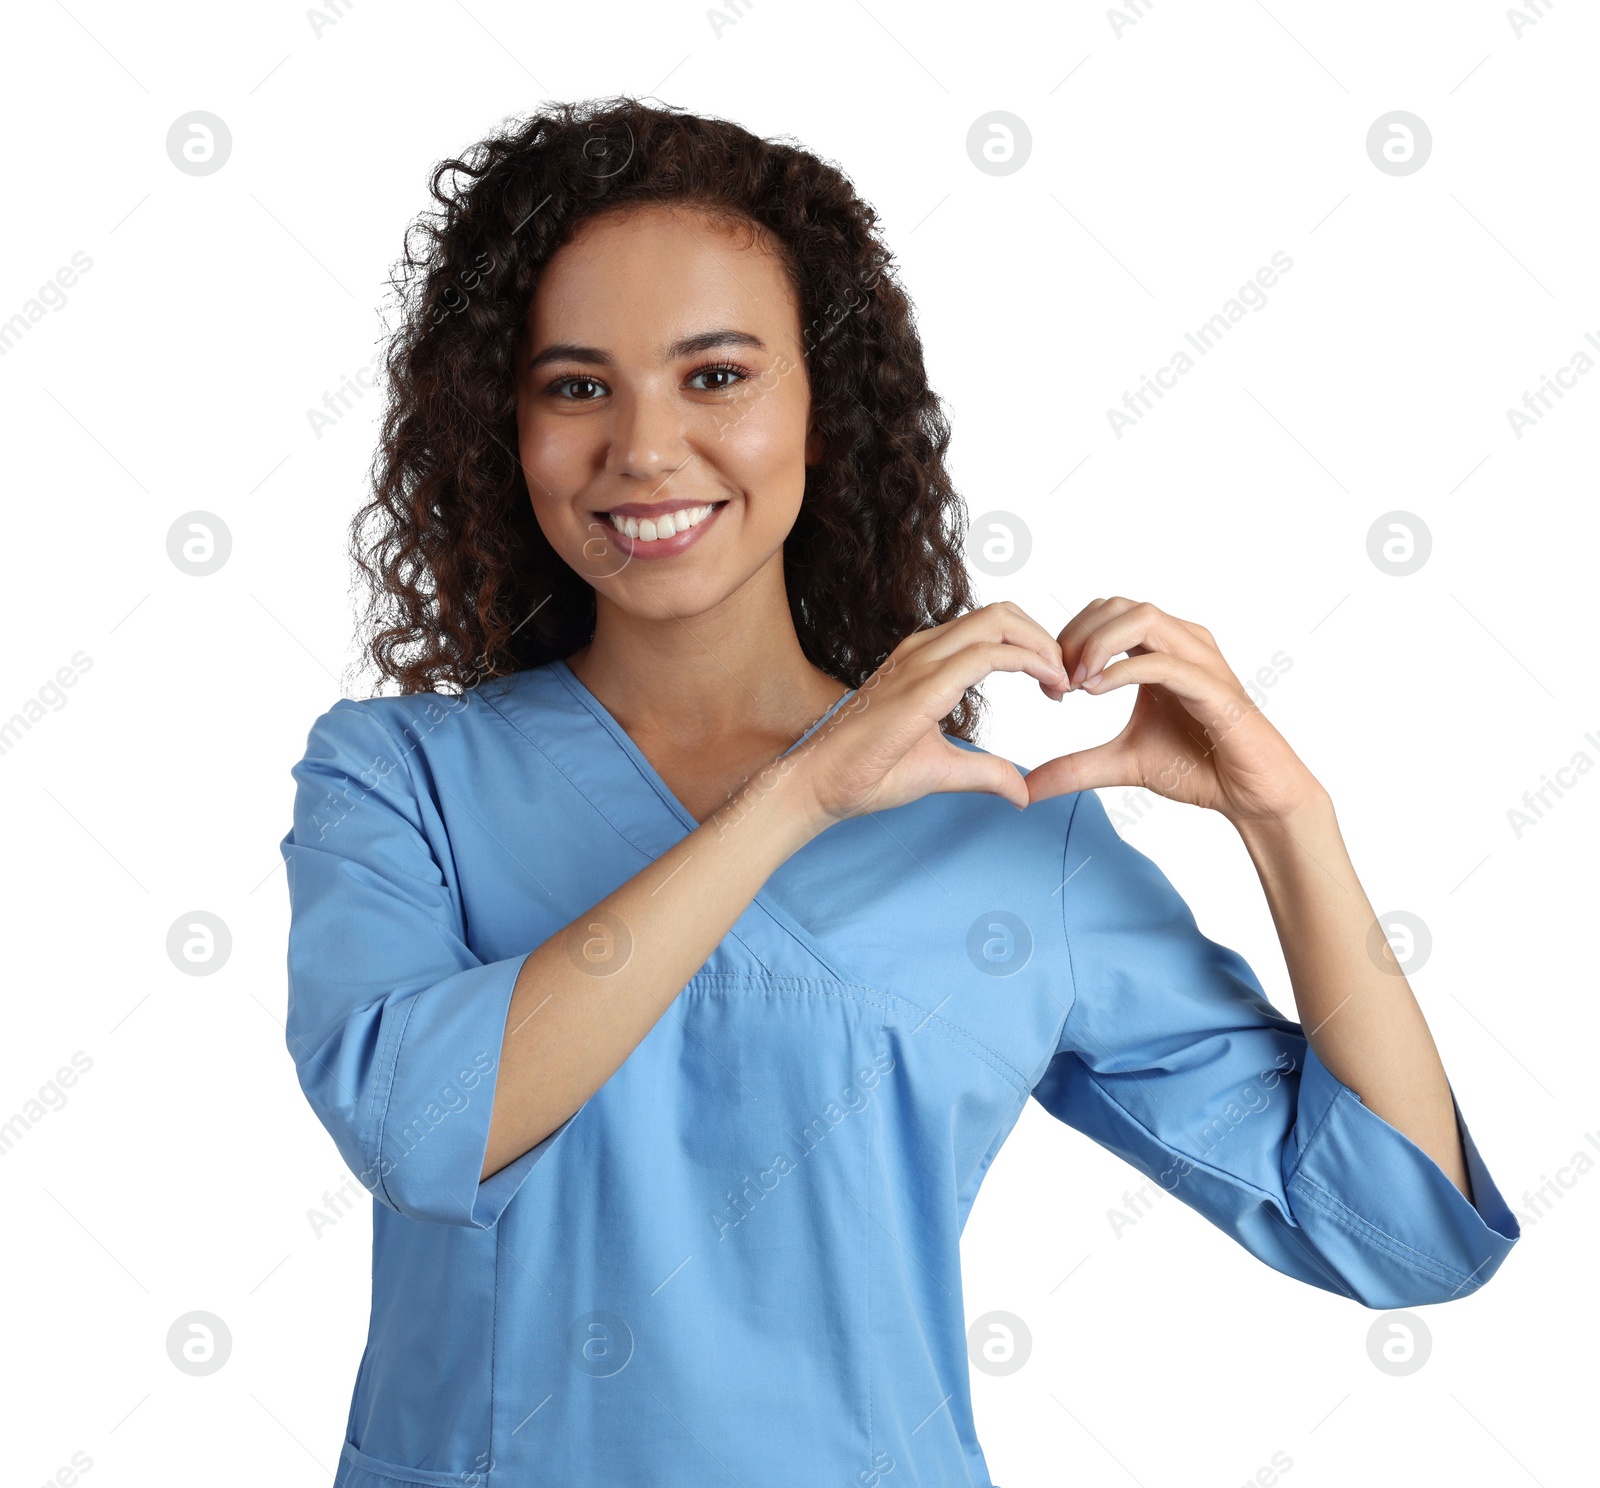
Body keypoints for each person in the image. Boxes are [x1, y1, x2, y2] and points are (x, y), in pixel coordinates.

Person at [279, 97, 1519, 1488]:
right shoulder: (397, 783)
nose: (642, 447)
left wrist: (1292, 825)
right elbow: (417, 1126)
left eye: (717, 375)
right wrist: (797, 800)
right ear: (501, 427)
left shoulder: (1003, 835)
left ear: (826, 402)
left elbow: (1394, 1229)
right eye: (576, 386)